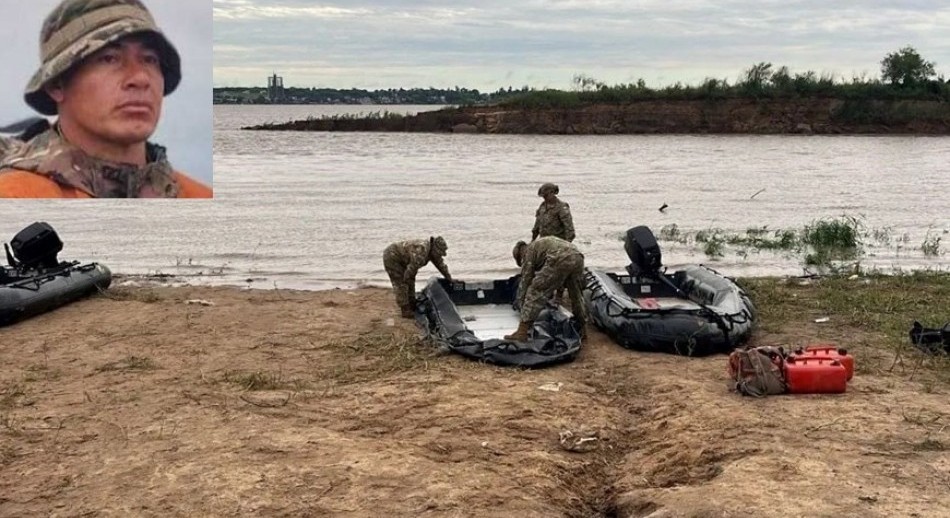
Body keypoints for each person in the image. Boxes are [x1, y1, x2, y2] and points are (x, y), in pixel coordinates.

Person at [0, 0, 212, 198]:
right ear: (56, 84)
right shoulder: (17, 195)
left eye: (149, 59)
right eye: (109, 58)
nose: (140, 78)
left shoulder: (200, 199)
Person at [505, 236, 589, 342]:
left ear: (520, 254)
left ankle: (522, 332)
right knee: (576, 295)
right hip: (577, 257)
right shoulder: (540, 245)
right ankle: (583, 329)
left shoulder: (529, 252)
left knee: (535, 290)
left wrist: (521, 302)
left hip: (559, 257)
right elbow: (557, 278)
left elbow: (526, 281)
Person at [383, 236, 453, 318]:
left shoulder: (432, 252)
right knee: (401, 282)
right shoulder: (422, 250)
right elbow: (411, 270)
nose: (439, 255)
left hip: (403, 259)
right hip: (392, 256)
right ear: (435, 249)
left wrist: (450, 279)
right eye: (439, 253)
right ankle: (405, 309)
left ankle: (412, 303)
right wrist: (405, 281)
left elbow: (441, 265)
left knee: (410, 280)